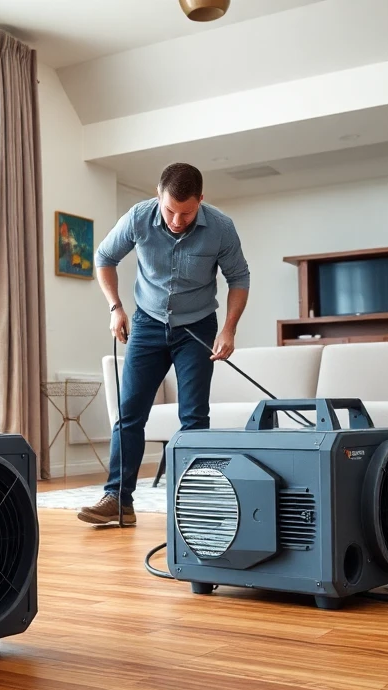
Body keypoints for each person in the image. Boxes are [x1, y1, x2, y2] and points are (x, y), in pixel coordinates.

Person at [78, 163, 250, 526]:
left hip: (197, 327)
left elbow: (239, 277)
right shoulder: (139, 218)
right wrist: (115, 307)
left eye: (186, 212)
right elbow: (104, 258)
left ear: (201, 200)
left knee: (193, 418)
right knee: (129, 415)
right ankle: (118, 500)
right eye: (169, 209)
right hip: (147, 323)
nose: (176, 219)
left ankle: (194, 503)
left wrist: (229, 330)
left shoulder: (221, 228)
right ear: (159, 197)